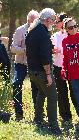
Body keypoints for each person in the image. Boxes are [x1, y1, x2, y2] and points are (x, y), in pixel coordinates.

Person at [25, 8, 61, 136]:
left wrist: (50, 48)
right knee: (52, 96)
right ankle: (54, 126)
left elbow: (35, 50)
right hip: (41, 72)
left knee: (41, 93)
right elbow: (44, 58)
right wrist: (48, 74)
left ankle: (38, 119)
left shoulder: (32, 31)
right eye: (53, 19)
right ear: (47, 20)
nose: (54, 22)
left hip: (32, 71)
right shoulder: (44, 34)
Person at [11, 10, 39, 121]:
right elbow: (13, 48)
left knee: (36, 87)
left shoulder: (39, 30)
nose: (32, 23)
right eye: (30, 21)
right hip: (21, 64)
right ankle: (18, 113)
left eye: (35, 21)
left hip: (34, 65)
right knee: (16, 84)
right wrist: (24, 50)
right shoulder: (20, 30)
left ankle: (38, 114)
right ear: (27, 20)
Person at [51, 13, 78, 122]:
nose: (55, 23)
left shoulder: (71, 34)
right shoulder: (55, 35)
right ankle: (66, 116)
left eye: (57, 21)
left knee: (74, 91)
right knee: (61, 92)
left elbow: (73, 50)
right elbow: (52, 49)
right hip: (58, 66)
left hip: (71, 66)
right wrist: (53, 50)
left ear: (63, 22)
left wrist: (61, 51)